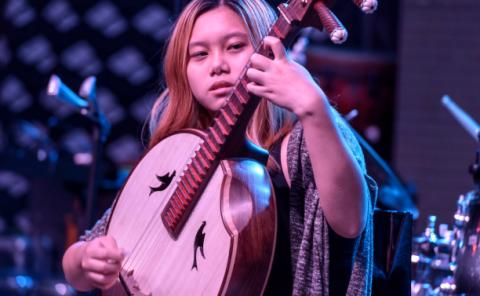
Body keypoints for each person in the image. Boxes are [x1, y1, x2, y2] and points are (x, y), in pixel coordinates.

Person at [62, 0, 377, 295]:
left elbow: (350, 224)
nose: (218, 66)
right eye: (199, 54)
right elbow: (79, 259)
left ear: (269, 48)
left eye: (236, 47)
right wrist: (85, 259)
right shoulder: (180, 150)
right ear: (181, 70)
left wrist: (315, 110)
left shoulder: (304, 136)